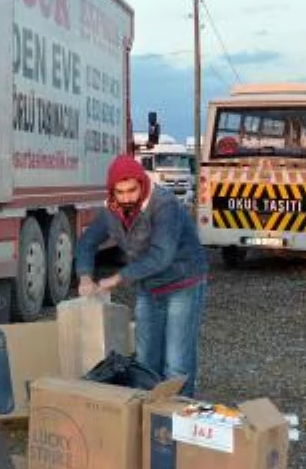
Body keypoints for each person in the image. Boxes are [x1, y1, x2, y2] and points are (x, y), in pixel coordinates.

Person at [74, 154, 209, 395]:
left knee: (176, 361)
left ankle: (178, 417)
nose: (126, 198)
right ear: (112, 191)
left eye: (131, 191)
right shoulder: (111, 211)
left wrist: (116, 279)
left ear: (142, 185)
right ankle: (149, 417)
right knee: (147, 359)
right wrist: (85, 275)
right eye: (120, 192)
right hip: (148, 287)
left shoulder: (164, 205)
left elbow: (161, 256)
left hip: (184, 282)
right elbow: (87, 242)